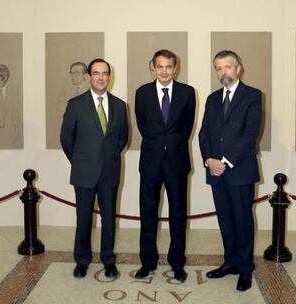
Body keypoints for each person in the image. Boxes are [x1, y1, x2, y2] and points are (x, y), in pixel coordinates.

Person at [198, 50, 262, 291]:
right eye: (218, 68)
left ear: (238, 69)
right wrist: (209, 160)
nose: (223, 72)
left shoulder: (253, 95)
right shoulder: (212, 99)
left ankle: (245, 268)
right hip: (215, 170)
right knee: (225, 219)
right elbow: (204, 133)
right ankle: (231, 262)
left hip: (239, 170)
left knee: (243, 220)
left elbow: (249, 134)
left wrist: (224, 161)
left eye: (227, 67)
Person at [60, 58, 129, 279]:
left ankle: (108, 260)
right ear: (89, 77)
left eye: (105, 73)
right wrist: (80, 160)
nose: (101, 77)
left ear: (110, 76)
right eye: (96, 73)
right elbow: (66, 139)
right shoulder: (75, 104)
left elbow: (122, 139)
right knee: (84, 219)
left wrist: (106, 158)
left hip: (109, 171)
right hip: (83, 172)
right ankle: (82, 260)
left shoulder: (119, 105)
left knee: (109, 218)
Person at [134, 49, 196, 282]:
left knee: (178, 215)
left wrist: (170, 144)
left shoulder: (187, 93)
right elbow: (142, 125)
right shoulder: (142, 93)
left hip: (177, 163)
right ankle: (147, 262)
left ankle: (177, 263)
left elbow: (187, 127)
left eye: (168, 66)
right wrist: (158, 144)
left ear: (175, 68)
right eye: (159, 66)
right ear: (153, 68)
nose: (164, 71)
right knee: (147, 214)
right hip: (150, 163)